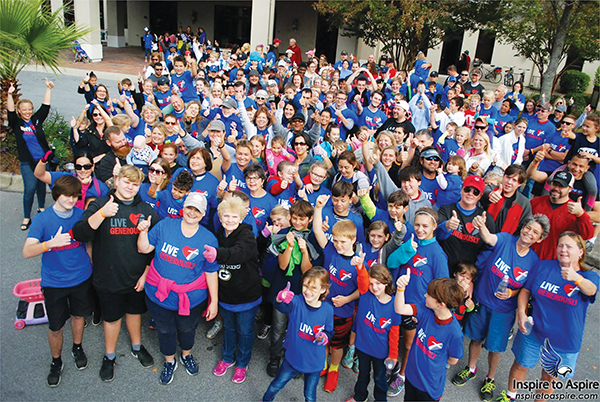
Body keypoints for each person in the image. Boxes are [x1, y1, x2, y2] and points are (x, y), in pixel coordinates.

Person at [72, 166, 158, 382]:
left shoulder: (146, 210)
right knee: (111, 318)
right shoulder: (101, 205)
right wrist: (102, 214)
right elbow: (80, 233)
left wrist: (146, 272)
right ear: (116, 180)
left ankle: (137, 346)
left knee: (135, 312)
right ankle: (109, 356)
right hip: (107, 276)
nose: (130, 187)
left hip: (136, 276)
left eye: (135, 184)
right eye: (126, 182)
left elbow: (156, 246)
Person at [451, 214, 549, 402]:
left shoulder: (533, 262)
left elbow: (526, 289)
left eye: (535, 232)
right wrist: (481, 226)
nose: (529, 233)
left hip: (504, 310)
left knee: (495, 347)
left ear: (539, 239)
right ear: (522, 227)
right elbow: (489, 238)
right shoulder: (505, 239)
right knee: (475, 338)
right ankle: (470, 369)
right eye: (528, 227)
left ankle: (490, 379)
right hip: (482, 300)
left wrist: (511, 293)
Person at [496, 232, 599, 402]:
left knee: (549, 377)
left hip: (562, 340)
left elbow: (592, 290)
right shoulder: (544, 266)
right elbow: (526, 291)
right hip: (534, 331)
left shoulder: (589, 276)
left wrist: (576, 278)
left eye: (569, 246)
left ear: (581, 252)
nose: (563, 249)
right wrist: (521, 313)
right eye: (560, 245)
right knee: (521, 364)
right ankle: (510, 396)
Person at [136, 192, 219, 384]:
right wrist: (143, 231)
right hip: (159, 295)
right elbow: (144, 248)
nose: (192, 212)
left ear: (203, 214)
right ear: (183, 207)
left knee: (188, 329)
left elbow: (211, 271)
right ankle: (169, 361)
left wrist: (214, 301)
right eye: (189, 207)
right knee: (165, 331)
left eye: (197, 210)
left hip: (191, 299)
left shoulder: (209, 239)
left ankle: (186, 355)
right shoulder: (165, 225)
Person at [22, 175, 93, 387]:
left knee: (79, 316)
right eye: (66, 195)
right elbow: (27, 251)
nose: (71, 199)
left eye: (75, 195)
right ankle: (56, 361)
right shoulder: (43, 219)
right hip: (54, 283)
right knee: (56, 326)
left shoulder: (81, 215)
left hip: (81, 278)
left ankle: (77, 347)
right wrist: (50, 244)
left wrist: (89, 259)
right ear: (56, 194)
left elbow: (89, 241)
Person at [203, 196, 262, 384]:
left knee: (245, 331)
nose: (230, 220)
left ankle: (242, 363)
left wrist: (217, 254)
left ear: (241, 218)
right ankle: (227, 357)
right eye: (226, 216)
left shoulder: (247, 236)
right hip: (226, 295)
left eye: (234, 217)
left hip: (246, 296)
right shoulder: (219, 235)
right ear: (220, 218)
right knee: (228, 328)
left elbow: (239, 253)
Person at [262, 267, 333, 402]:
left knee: (310, 396)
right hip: (292, 357)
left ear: (323, 290)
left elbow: (329, 331)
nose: (308, 291)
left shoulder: (328, 310)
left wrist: (325, 336)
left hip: (314, 362)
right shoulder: (296, 301)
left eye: (313, 288)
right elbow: (281, 307)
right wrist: (279, 298)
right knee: (275, 385)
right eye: (305, 286)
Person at [394, 274, 464, 401]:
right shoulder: (425, 309)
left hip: (429, 387)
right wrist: (400, 288)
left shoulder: (455, 332)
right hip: (411, 376)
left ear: (441, 304)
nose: (425, 295)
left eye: (430, 295)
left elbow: (453, 360)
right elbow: (400, 309)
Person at [346, 265, 400, 402]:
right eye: (371, 283)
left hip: (381, 352)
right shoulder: (365, 295)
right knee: (362, 375)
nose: (374, 287)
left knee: (380, 379)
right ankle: (360, 396)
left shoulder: (395, 306)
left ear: (386, 283)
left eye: (378, 283)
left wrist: (393, 355)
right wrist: (360, 266)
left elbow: (394, 334)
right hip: (363, 347)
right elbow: (362, 278)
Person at [7, 79, 54, 230]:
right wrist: (10, 94)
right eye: (24, 110)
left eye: (29, 109)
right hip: (27, 162)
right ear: (19, 111)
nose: (27, 112)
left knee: (41, 185)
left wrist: (48, 88)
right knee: (30, 188)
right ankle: (27, 217)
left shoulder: (36, 120)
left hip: (42, 161)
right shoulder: (17, 123)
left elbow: (45, 106)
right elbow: (10, 111)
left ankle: (41, 207)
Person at [437, 175, 496, 274]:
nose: (470, 194)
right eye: (467, 189)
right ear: (461, 190)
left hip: (468, 274)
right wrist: (447, 225)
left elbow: (488, 249)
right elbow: (438, 236)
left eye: (475, 192)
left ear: (480, 196)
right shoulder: (446, 210)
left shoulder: (486, 218)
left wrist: (474, 271)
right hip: (444, 268)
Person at [530, 171, 594, 260]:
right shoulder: (536, 202)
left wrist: (581, 215)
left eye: (561, 186)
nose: (556, 188)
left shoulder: (574, 210)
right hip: (529, 254)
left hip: (554, 260)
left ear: (570, 189)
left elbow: (588, 235)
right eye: (554, 184)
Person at [34, 151, 110, 210]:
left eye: (87, 166)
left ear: (93, 167)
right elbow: (40, 175)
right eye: (78, 167)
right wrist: (43, 161)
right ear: (74, 168)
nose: (82, 170)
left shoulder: (101, 187)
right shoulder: (65, 178)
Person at [480, 164, 531, 235]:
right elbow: (484, 191)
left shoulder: (524, 203)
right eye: (508, 177)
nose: (509, 182)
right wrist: (490, 195)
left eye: (514, 180)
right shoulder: (492, 189)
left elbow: (526, 225)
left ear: (519, 184)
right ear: (503, 176)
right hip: (482, 235)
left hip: (505, 240)